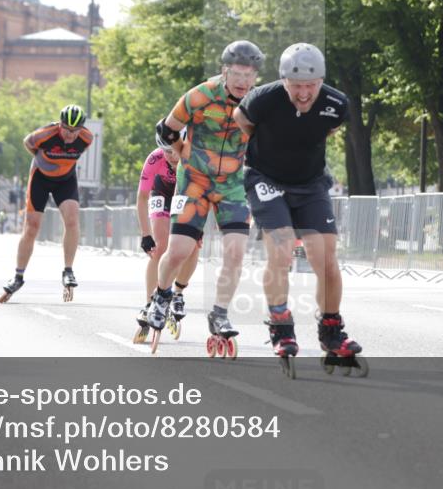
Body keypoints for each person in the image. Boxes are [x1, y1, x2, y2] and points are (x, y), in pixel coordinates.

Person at [233, 43, 365, 375]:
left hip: (310, 183)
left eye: (311, 85)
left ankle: (331, 330)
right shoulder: (263, 98)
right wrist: (271, 150)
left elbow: (329, 130)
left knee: (326, 257)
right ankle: (281, 325)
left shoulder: (336, 104)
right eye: (296, 86)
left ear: (321, 81)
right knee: (281, 250)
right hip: (266, 179)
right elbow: (241, 121)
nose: (304, 93)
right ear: (283, 81)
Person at [147, 40, 263, 348]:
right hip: (194, 181)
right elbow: (166, 129)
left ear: (255, 78)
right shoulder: (200, 95)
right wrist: (181, 153)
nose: (242, 82)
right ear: (225, 71)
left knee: (237, 252)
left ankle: (220, 313)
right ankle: (160, 296)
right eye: (237, 74)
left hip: (232, 184)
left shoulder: (258, 102)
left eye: (249, 75)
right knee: (179, 251)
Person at [0, 104, 94, 302]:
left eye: (75, 131)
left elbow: (78, 148)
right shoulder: (45, 135)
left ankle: (68, 270)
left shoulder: (87, 138)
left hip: (66, 181)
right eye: (66, 129)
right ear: (60, 125)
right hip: (40, 178)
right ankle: (18, 277)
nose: (70, 135)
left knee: (73, 220)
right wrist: (41, 160)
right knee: (32, 227)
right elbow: (28, 142)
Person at [134, 138, 201, 340]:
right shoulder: (154, 160)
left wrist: (200, 227)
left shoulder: (194, 158)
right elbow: (142, 198)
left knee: (193, 246)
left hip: (187, 197)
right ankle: (150, 303)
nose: (170, 156)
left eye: (174, 151)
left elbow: (204, 192)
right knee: (160, 246)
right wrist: (146, 234)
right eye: (166, 151)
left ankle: (178, 292)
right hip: (161, 193)